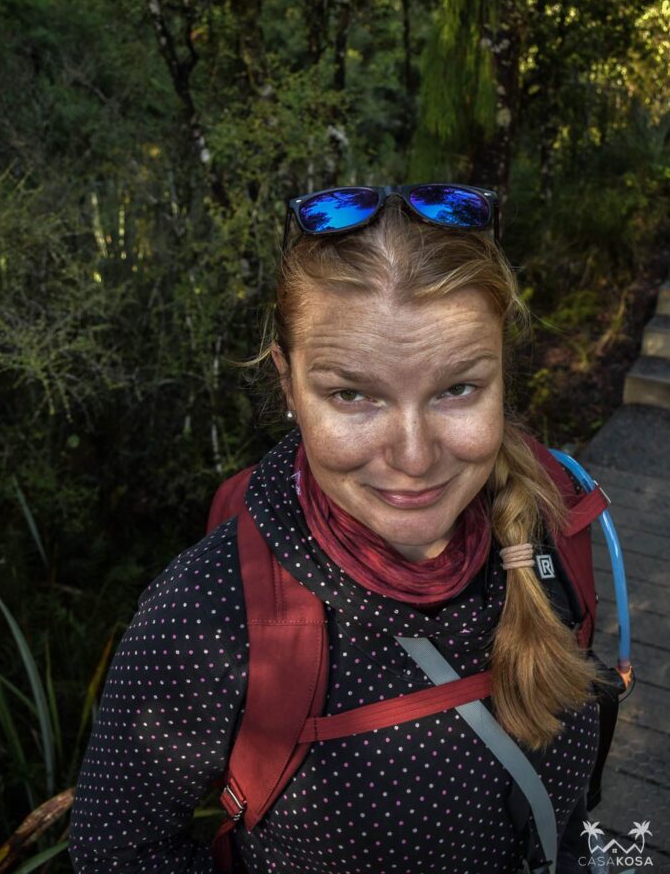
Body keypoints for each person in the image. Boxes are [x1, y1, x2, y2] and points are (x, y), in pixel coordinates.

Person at [69, 184, 603, 873]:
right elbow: (118, 852)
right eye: (352, 394)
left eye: (457, 388)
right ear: (287, 385)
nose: (414, 457)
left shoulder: (547, 519)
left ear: (502, 373)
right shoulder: (207, 614)